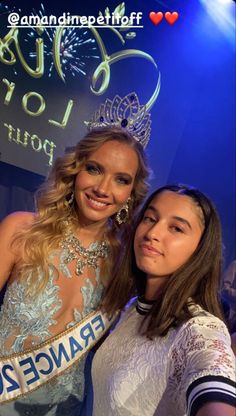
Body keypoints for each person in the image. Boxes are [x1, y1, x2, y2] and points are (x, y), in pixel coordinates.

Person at [0, 93, 151, 415]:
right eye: (95, 169)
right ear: (74, 171)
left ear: (131, 192)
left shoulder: (126, 264)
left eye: (121, 179)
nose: (103, 188)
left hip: (68, 408)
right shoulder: (21, 231)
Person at [92, 185, 236, 416]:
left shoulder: (199, 328)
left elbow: (215, 390)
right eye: (149, 218)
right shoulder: (131, 308)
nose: (153, 233)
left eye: (176, 228)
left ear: (200, 249)